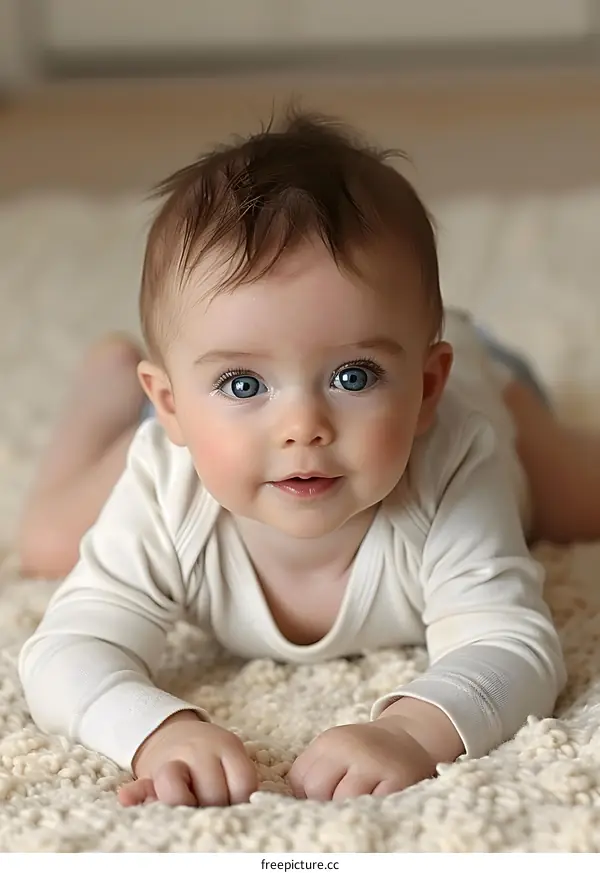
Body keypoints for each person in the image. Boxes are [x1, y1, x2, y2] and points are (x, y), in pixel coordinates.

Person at [16, 111, 598, 810]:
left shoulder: (451, 463)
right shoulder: (167, 486)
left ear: (423, 389)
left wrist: (412, 731)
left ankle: (476, 387)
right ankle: (106, 383)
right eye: (244, 383)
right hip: (191, 426)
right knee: (48, 544)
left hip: (485, 383)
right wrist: (156, 732)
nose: (302, 428)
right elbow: (64, 652)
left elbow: (513, 646)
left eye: (354, 376)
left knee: (576, 497)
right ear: (168, 404)